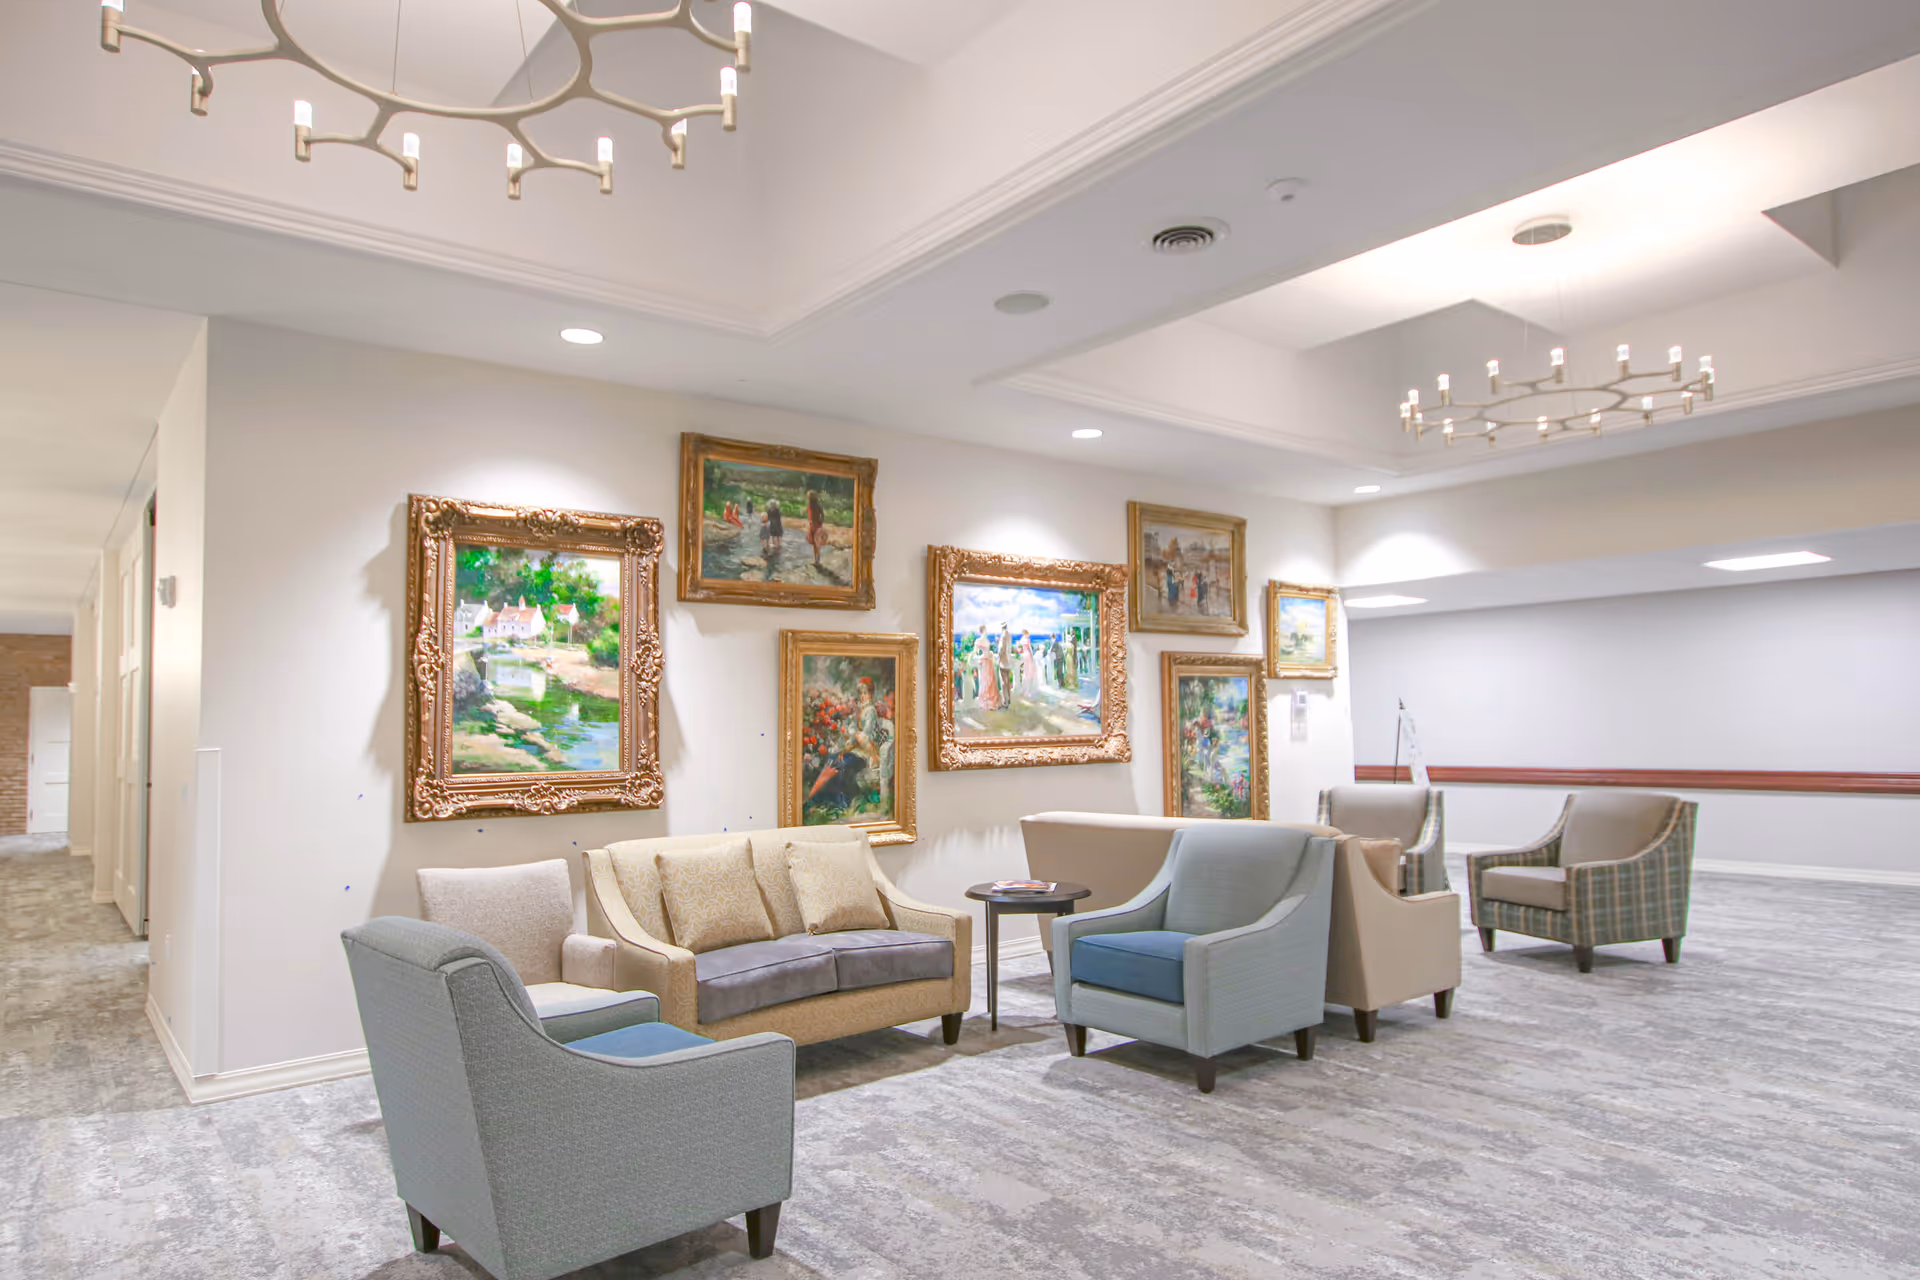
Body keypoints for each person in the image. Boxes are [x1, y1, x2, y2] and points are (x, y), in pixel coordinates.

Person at [971, 624, 999, 710]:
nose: (986, 631)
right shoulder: (978, 640)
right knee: (985, 681)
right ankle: (985, 702)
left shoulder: (986, 640)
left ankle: (992, 702)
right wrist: (977, 658)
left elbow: (988, 651)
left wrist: (990, 653)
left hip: (989, 661)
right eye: (985, 630)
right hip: (984, 662)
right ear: (982, 631)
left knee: (991, 680)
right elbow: (975, 652)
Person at [805, 489, 827, 567]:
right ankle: (816, 560)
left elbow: (822, 514)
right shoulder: (810, 504)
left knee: (816, 543)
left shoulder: (817, 505)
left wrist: (821, 522)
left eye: (809, 496)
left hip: (816, 526)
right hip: (812, 525)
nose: (808, 498)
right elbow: (809, 513)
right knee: (814, 543)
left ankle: (817, 560)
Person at [996, 623, 1016, 709]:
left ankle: (1005, 701)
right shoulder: (1009, 635)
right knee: (1008, 680)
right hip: (1008, 661)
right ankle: (1009, 698)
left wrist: (998, 655)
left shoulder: (1003, 636)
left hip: (1003, 661)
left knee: (1003, 681)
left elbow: (1001, 649)